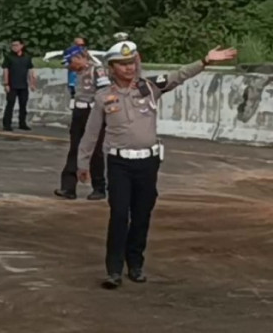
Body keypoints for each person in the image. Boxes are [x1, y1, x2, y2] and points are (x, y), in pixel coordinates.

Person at [78, 40, 237, 289]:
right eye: (123, 64)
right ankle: (114, 270)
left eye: (132, 62)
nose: (129, 68)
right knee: (119, 215)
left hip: (148, 163)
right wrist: (82, 162)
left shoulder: (150, 87)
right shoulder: (103, 97)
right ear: (112, 67)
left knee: (142, 215)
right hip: (119, 163)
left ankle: (136, 265)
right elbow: (91, 132)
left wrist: (205, 61)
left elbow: (179, 75)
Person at [55, 47, 108, 201]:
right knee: (74, 149)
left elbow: (105, 91)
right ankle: (68, 187)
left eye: (70, 62)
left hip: (93, 112)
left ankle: (99, 188)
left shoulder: (97, 70)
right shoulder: (77, 73)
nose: (69, 66)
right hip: (79, 112)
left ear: (79, 57)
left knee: (96, 151)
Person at [2, 38, 36, 131]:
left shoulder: (27, 57)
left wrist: (32, 83)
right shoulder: (9, 57)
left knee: (23, 105)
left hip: (23, 85)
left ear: (21, 46)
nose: (14, 47)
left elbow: (30, 71)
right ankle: (7, 124)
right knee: (10, 104)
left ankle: (22, 123)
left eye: (16, 45)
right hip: (12, 85)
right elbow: (5, 70)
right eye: (13, 45)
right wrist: (6, 84)